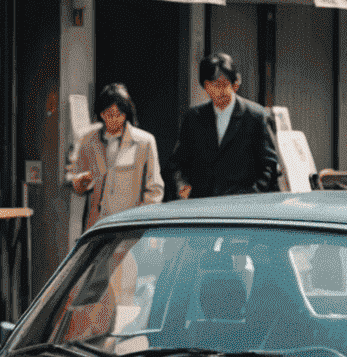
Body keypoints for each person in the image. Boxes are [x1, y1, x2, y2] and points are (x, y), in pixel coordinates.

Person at [171, 52, 279, 199]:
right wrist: (182, 186)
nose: (218, 91)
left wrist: (252, 195)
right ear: (204, 86)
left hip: (243, 205)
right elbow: (178, 162)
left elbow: (269, 167)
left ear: (235, 83)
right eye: (212, 85)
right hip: (201, 204)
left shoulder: (256, 116)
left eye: (223, 84)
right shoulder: (193, 118)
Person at [67, 83, 163, 230]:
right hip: (97, 227)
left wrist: (141, 223)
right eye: (109, 115)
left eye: (119, 114)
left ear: (126, 114)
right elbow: (73, 177)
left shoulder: (144, 142)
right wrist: (78, 182)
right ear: (101, 113)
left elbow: (154, 189)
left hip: (130, 227)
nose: (114, 120)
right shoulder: (88, 139)